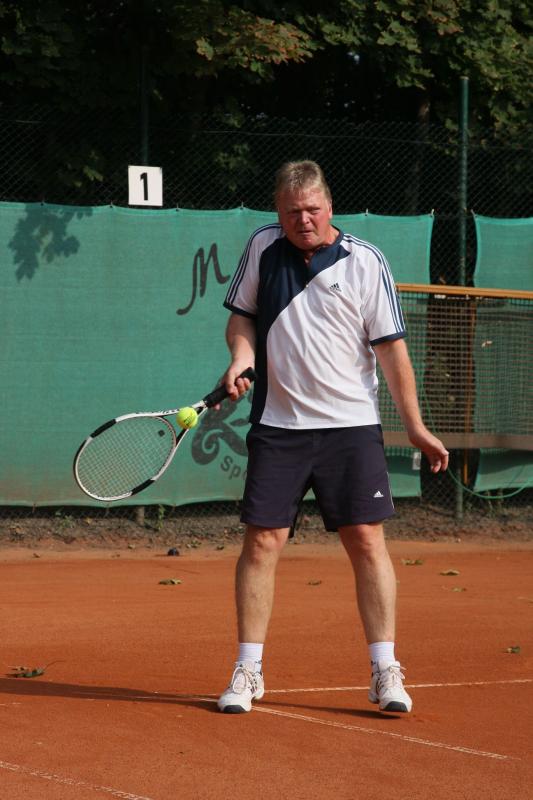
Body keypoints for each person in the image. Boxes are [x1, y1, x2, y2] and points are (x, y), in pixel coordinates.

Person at [216, 160, 448, 715]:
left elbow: (392, 351)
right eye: (292, 211)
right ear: (278, 211)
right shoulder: (263, 247)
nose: (303, 220)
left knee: (366, 541)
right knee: (262, 542)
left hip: (350, 428)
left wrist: (415, 426)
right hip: (280, 427)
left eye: (313, 210)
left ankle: (385, 670)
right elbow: (242, 319)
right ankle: (248, 670)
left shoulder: (366, 261)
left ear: (329, 207)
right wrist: (241, 357)